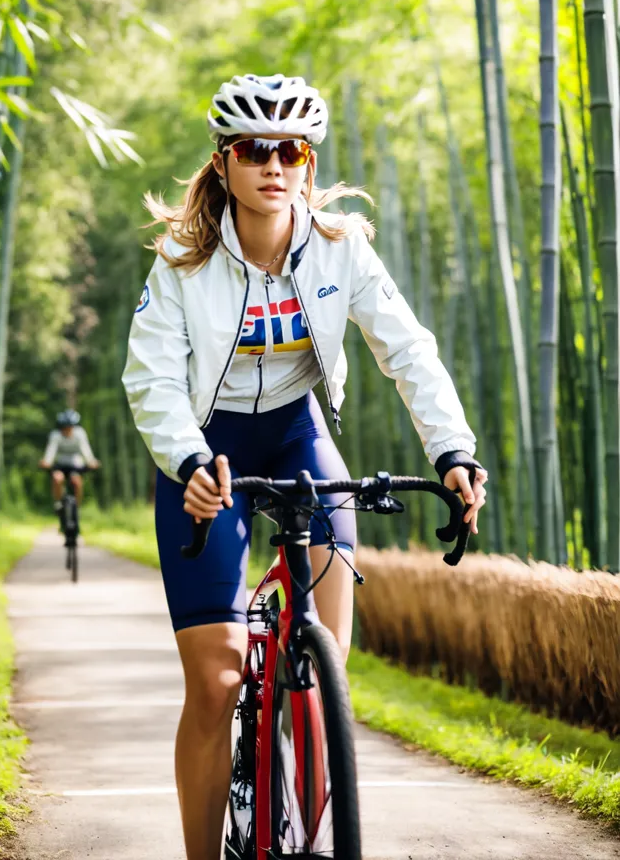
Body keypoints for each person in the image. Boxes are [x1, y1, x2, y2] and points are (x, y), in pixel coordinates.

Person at [122, 73, 488, 860]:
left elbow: (408, 351)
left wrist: (453, 451)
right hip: (204, 454)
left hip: (297, 437)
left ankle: (311, 818)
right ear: (224, 164)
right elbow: (151, 381)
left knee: (326, 672)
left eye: (290, 150)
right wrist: (187, 459)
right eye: (254, 150)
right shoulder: (182, 264)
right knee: (217, 684)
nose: (273, 165)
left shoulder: (339, 248)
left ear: (308, 164)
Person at [38, 410, 100, 530]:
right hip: (60, 463)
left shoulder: (80, 434)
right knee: (57, 478)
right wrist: (46, 462)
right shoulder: (55, 435)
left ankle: (76, 508)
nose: (67, 430)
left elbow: (85, 449)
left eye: (70, 427)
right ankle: (58, 503)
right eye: (65, 427)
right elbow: (51, 452)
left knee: (76, 481)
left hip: (76, 463)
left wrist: (91, 462)